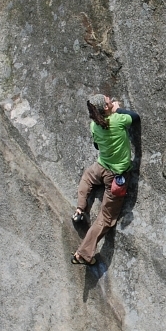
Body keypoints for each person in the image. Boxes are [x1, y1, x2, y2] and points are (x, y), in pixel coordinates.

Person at [72, 93, 139, 265]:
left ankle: (80, 210)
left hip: (101, 166)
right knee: (106, 217)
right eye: (109, 101)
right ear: (107, 108)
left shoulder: (94, 125)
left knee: (87, 178)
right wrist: (118, 109)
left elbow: (96, 145)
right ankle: (84, 254)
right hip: (116, 175)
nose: (110, 99)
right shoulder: (118, 120)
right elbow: (136, 118)